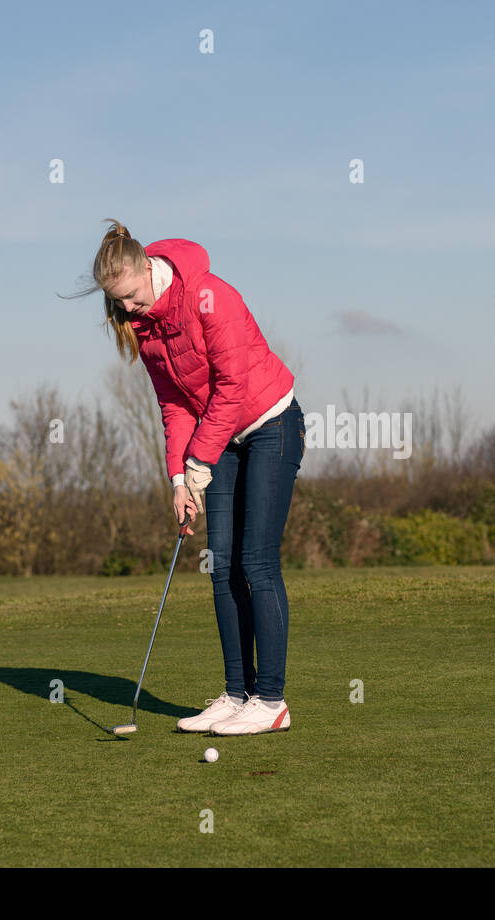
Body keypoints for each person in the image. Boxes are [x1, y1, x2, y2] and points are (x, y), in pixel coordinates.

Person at [85, 220, 303, 735]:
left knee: (256, 561)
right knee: (220, 564)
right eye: (119, 304)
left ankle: (270, 701)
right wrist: (180, 480)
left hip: (271, 423)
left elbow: (232, 387)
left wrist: (200, 461)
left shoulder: (209, 295)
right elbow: (175, 406)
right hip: (218, 437)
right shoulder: (143, 327)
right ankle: (235, 694)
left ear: (145, 269)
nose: (129, 310)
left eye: (132, 298)